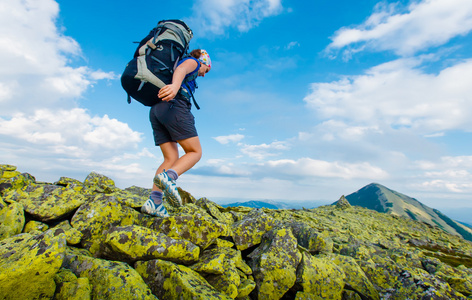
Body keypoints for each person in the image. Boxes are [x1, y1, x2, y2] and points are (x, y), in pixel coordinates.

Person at [141, 49, 211, 217]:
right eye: (206, 70)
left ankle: (155, 201)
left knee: (170, 158)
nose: (203, 74)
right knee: (195, 152)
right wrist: (174, 86)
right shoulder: (193, 62)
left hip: (157, 110)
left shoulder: (173, 65)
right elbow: (181, 70)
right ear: (203, 61)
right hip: (175, 106)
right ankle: (170, 177)